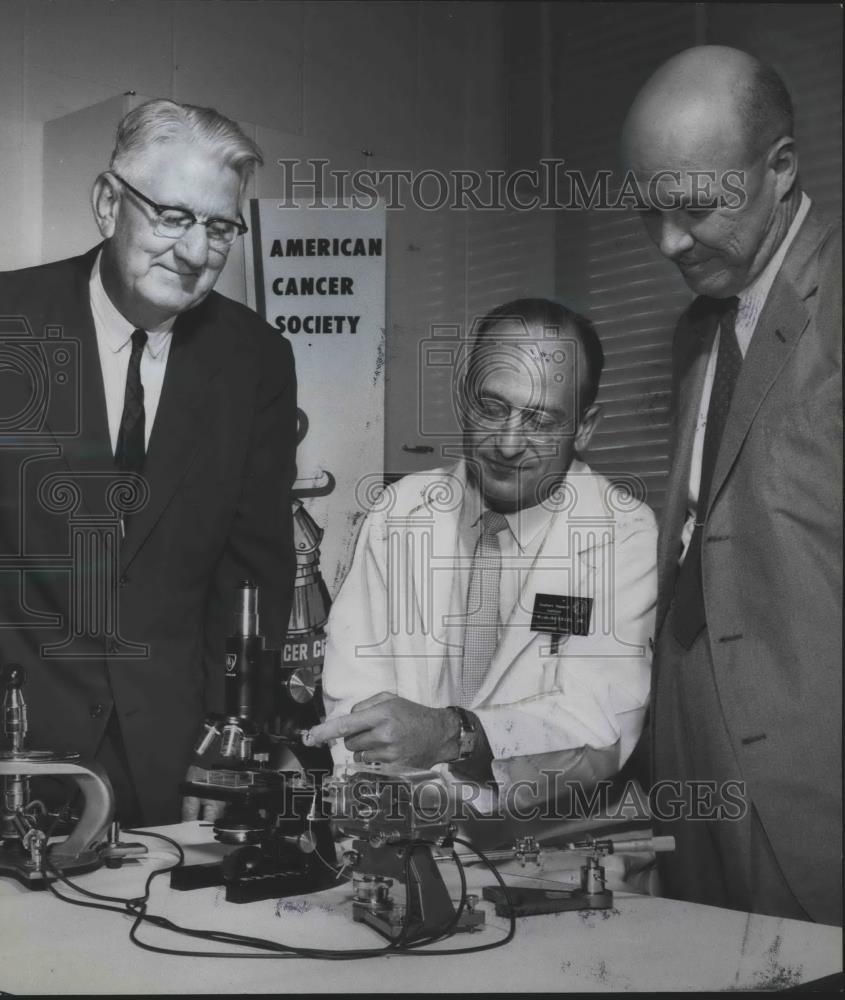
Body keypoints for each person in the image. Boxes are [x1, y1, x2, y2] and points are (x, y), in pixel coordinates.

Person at [0, 100, 297, 826]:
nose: (195, 252)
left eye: (219, 226)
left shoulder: (254, 359)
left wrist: (231, 742)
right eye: (172, 216)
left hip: (176, 770)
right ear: (108, 204)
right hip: (16, 759)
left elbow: (254, 573)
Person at [621, 46, 842, 924]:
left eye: (695, 208)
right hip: (686, 779)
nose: (670, 242)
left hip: (812, 791)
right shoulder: (694, 331)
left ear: (779, 170)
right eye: (649, 213)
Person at [308, 298, 657, 822]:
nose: (508, 443)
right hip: (402, 828)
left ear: (584, 428)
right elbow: (353, 691)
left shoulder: (620, 532)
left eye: (539, 420)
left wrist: (454, 735)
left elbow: (599, 723)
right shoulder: (402, 510)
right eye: (492, 408)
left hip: (553, 848)